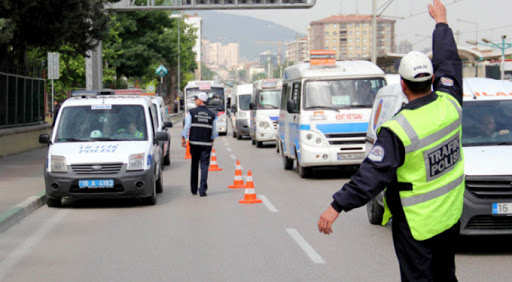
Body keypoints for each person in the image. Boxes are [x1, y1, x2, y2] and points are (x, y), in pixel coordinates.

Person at [318, 1, 464, 281]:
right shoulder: (450, 103)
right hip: (449, 215)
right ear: (432, 79)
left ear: (402, 84)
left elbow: (371, 176)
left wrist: (336, 206)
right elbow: (449, 61)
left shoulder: (398, 129)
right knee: (446, 276)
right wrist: (441, 22)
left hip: (417, 223)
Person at [181, 92, 218, 197]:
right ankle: (202, 190)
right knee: (204, 166)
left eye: (196, 99)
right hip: (206, 144)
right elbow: (214, 132)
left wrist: (183, 138)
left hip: (194, 143)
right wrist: (212, 141)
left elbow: (187, 127)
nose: (195, 100)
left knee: (194, 165)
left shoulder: (191, 112)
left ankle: (193, 189)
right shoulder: (212, 115)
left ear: (201, 100)